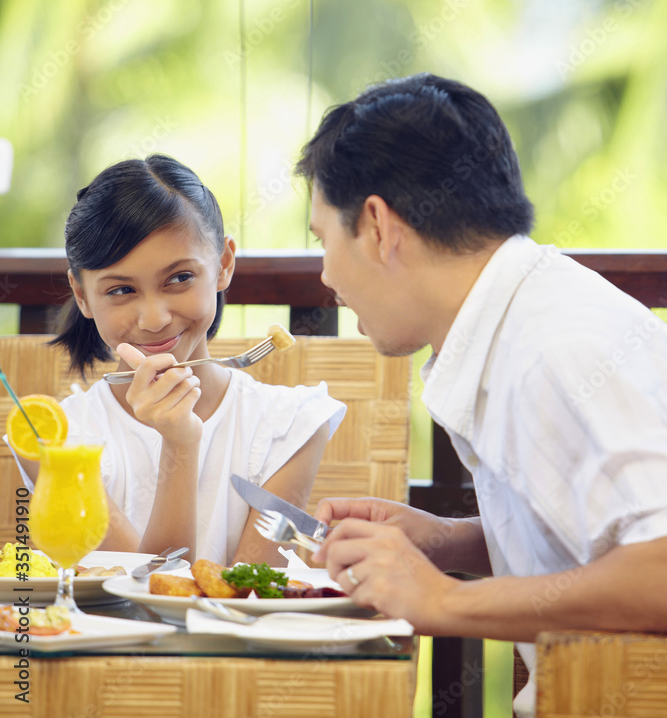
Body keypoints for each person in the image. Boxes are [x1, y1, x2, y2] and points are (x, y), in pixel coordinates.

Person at [295, 73, 667, 717]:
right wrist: (451, 541)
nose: (326, 275)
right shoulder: (522, 316)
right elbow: (602, 537)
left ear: (379, 226)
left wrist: (441, 601)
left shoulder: (554, 350)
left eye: (324, 239)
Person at [9, 155, 345, 565]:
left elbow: (251, 598)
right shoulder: (54, 439)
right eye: (120, 290)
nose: (155, 319)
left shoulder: (289, 427)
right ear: (82, 296)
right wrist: (179, 444)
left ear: (223, 265)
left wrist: (183, 439)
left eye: (180, 278)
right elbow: (141, 594)